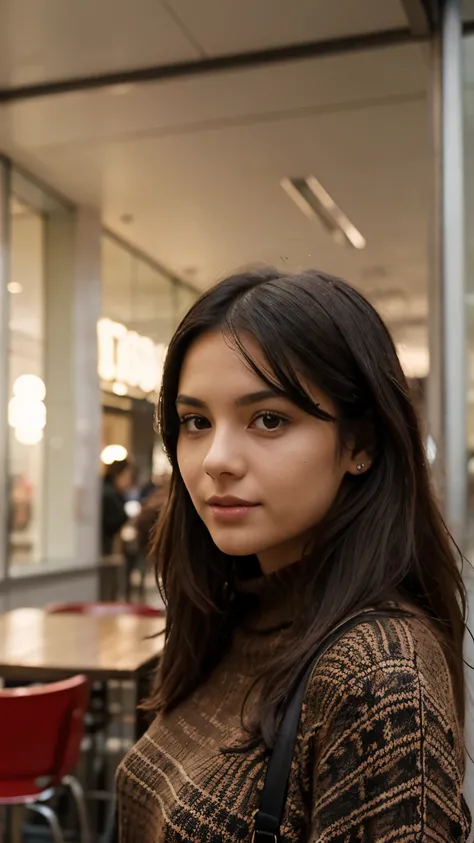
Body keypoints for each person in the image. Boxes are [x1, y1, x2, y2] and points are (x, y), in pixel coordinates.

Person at [116, 268, 472, 841]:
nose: (216, 459)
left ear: (360, 444)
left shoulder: (378, 672)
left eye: (269, 419)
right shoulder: (230, 614)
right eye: (196, 422)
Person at [101, 458, 134, 556]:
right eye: (128, 476)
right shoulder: (108, 495)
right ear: (118, 475)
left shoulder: (113, 494)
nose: (129, 481)